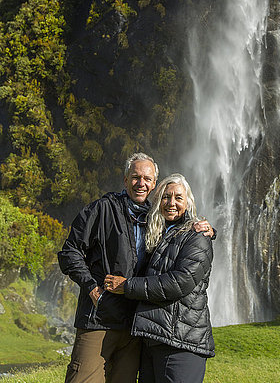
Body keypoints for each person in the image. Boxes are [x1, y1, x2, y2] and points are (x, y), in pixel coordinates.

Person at [58, 154, 213, 383]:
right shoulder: (103, 209)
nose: (141, 183)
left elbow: (183, 243)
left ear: (154, 183)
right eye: (135, 177)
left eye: (147, 179)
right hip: (100, 319)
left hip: (135, 328)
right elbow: (70, 251)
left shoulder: (156, 218)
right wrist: (91, 288)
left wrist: (208, 229)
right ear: (125, 179)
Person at [104, 173, 215, 383]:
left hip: (181, 341)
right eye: (165, 197)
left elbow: (179, 283)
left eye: (178, 198)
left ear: (188, 203)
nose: (171, 203)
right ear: (157, 201)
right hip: (154, 338)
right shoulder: (156, 234)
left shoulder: (197, 236)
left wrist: (127, 287)